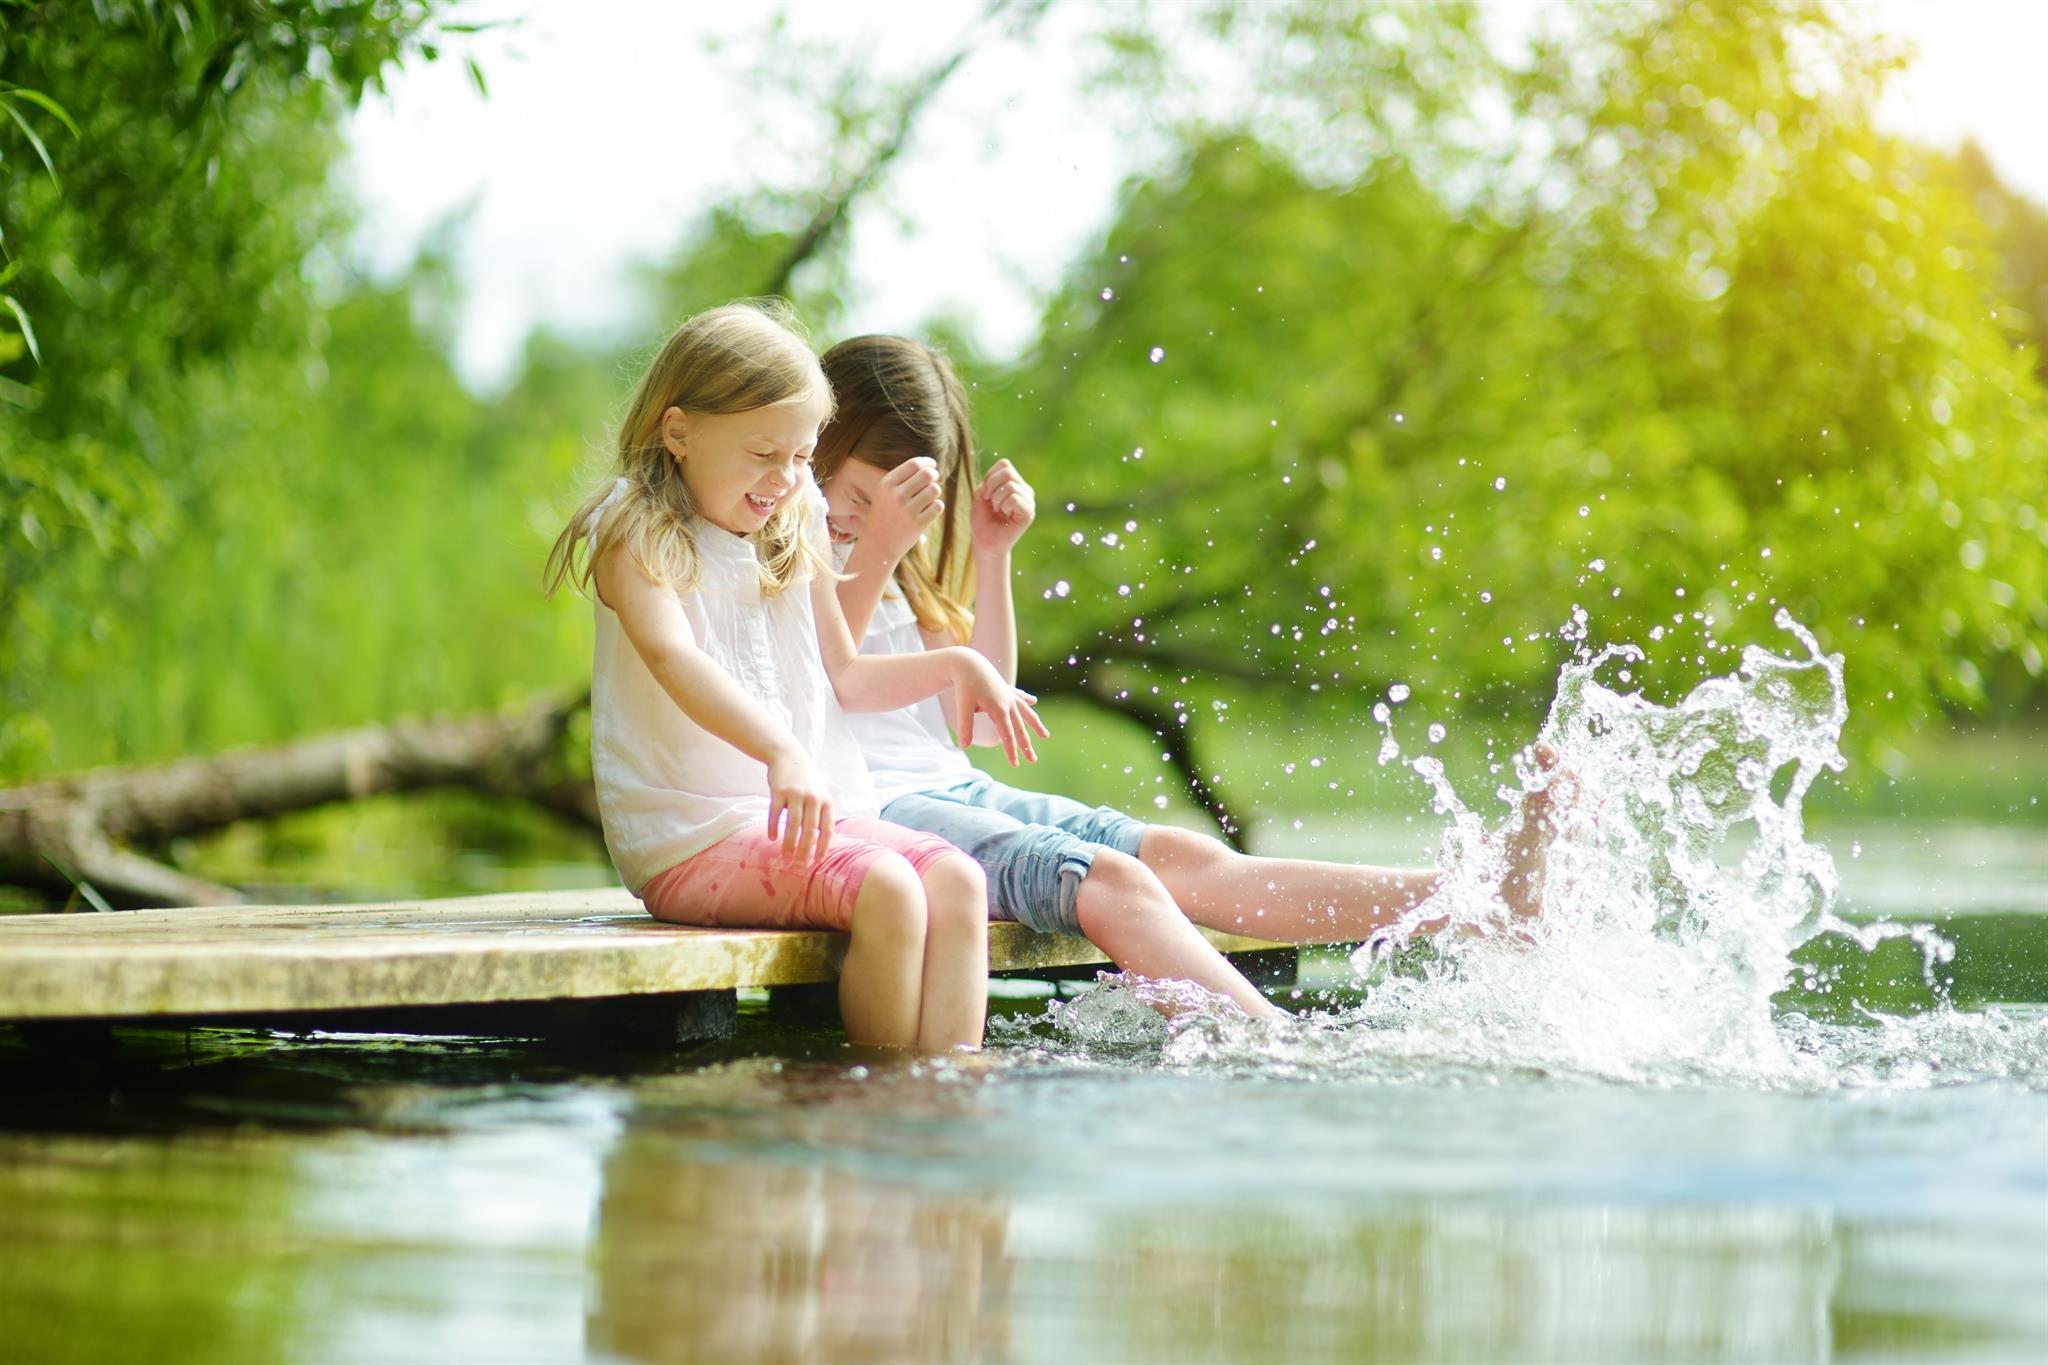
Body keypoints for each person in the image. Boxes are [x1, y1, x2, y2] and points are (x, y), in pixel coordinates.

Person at [813, 334, 1563, 1020]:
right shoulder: (797, 553)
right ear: (820, 448)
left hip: (955, 787)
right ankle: (1269, 1044)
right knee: (1113, 881)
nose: (871, 520)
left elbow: (979, 722)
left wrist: (992, 553)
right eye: (860, 498)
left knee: (1187, 856)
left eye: (901, 504)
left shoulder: (900, 571)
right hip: (881, 812)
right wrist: (879, 545)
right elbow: (823, 679)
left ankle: (1478, 898)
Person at [543, 304, 1046, 1052]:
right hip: (693, 835)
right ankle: (876, 1096)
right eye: (763, 453)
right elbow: (675, 658)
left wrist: (959, 662)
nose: (784, 478)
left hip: (806, 824)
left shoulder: (794, 515)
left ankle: (948, 1092)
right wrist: (781, 750)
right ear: (679, 431)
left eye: (802, 456)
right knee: (889, 887)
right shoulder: (636, 531)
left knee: (959, 881)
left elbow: (844, 671)